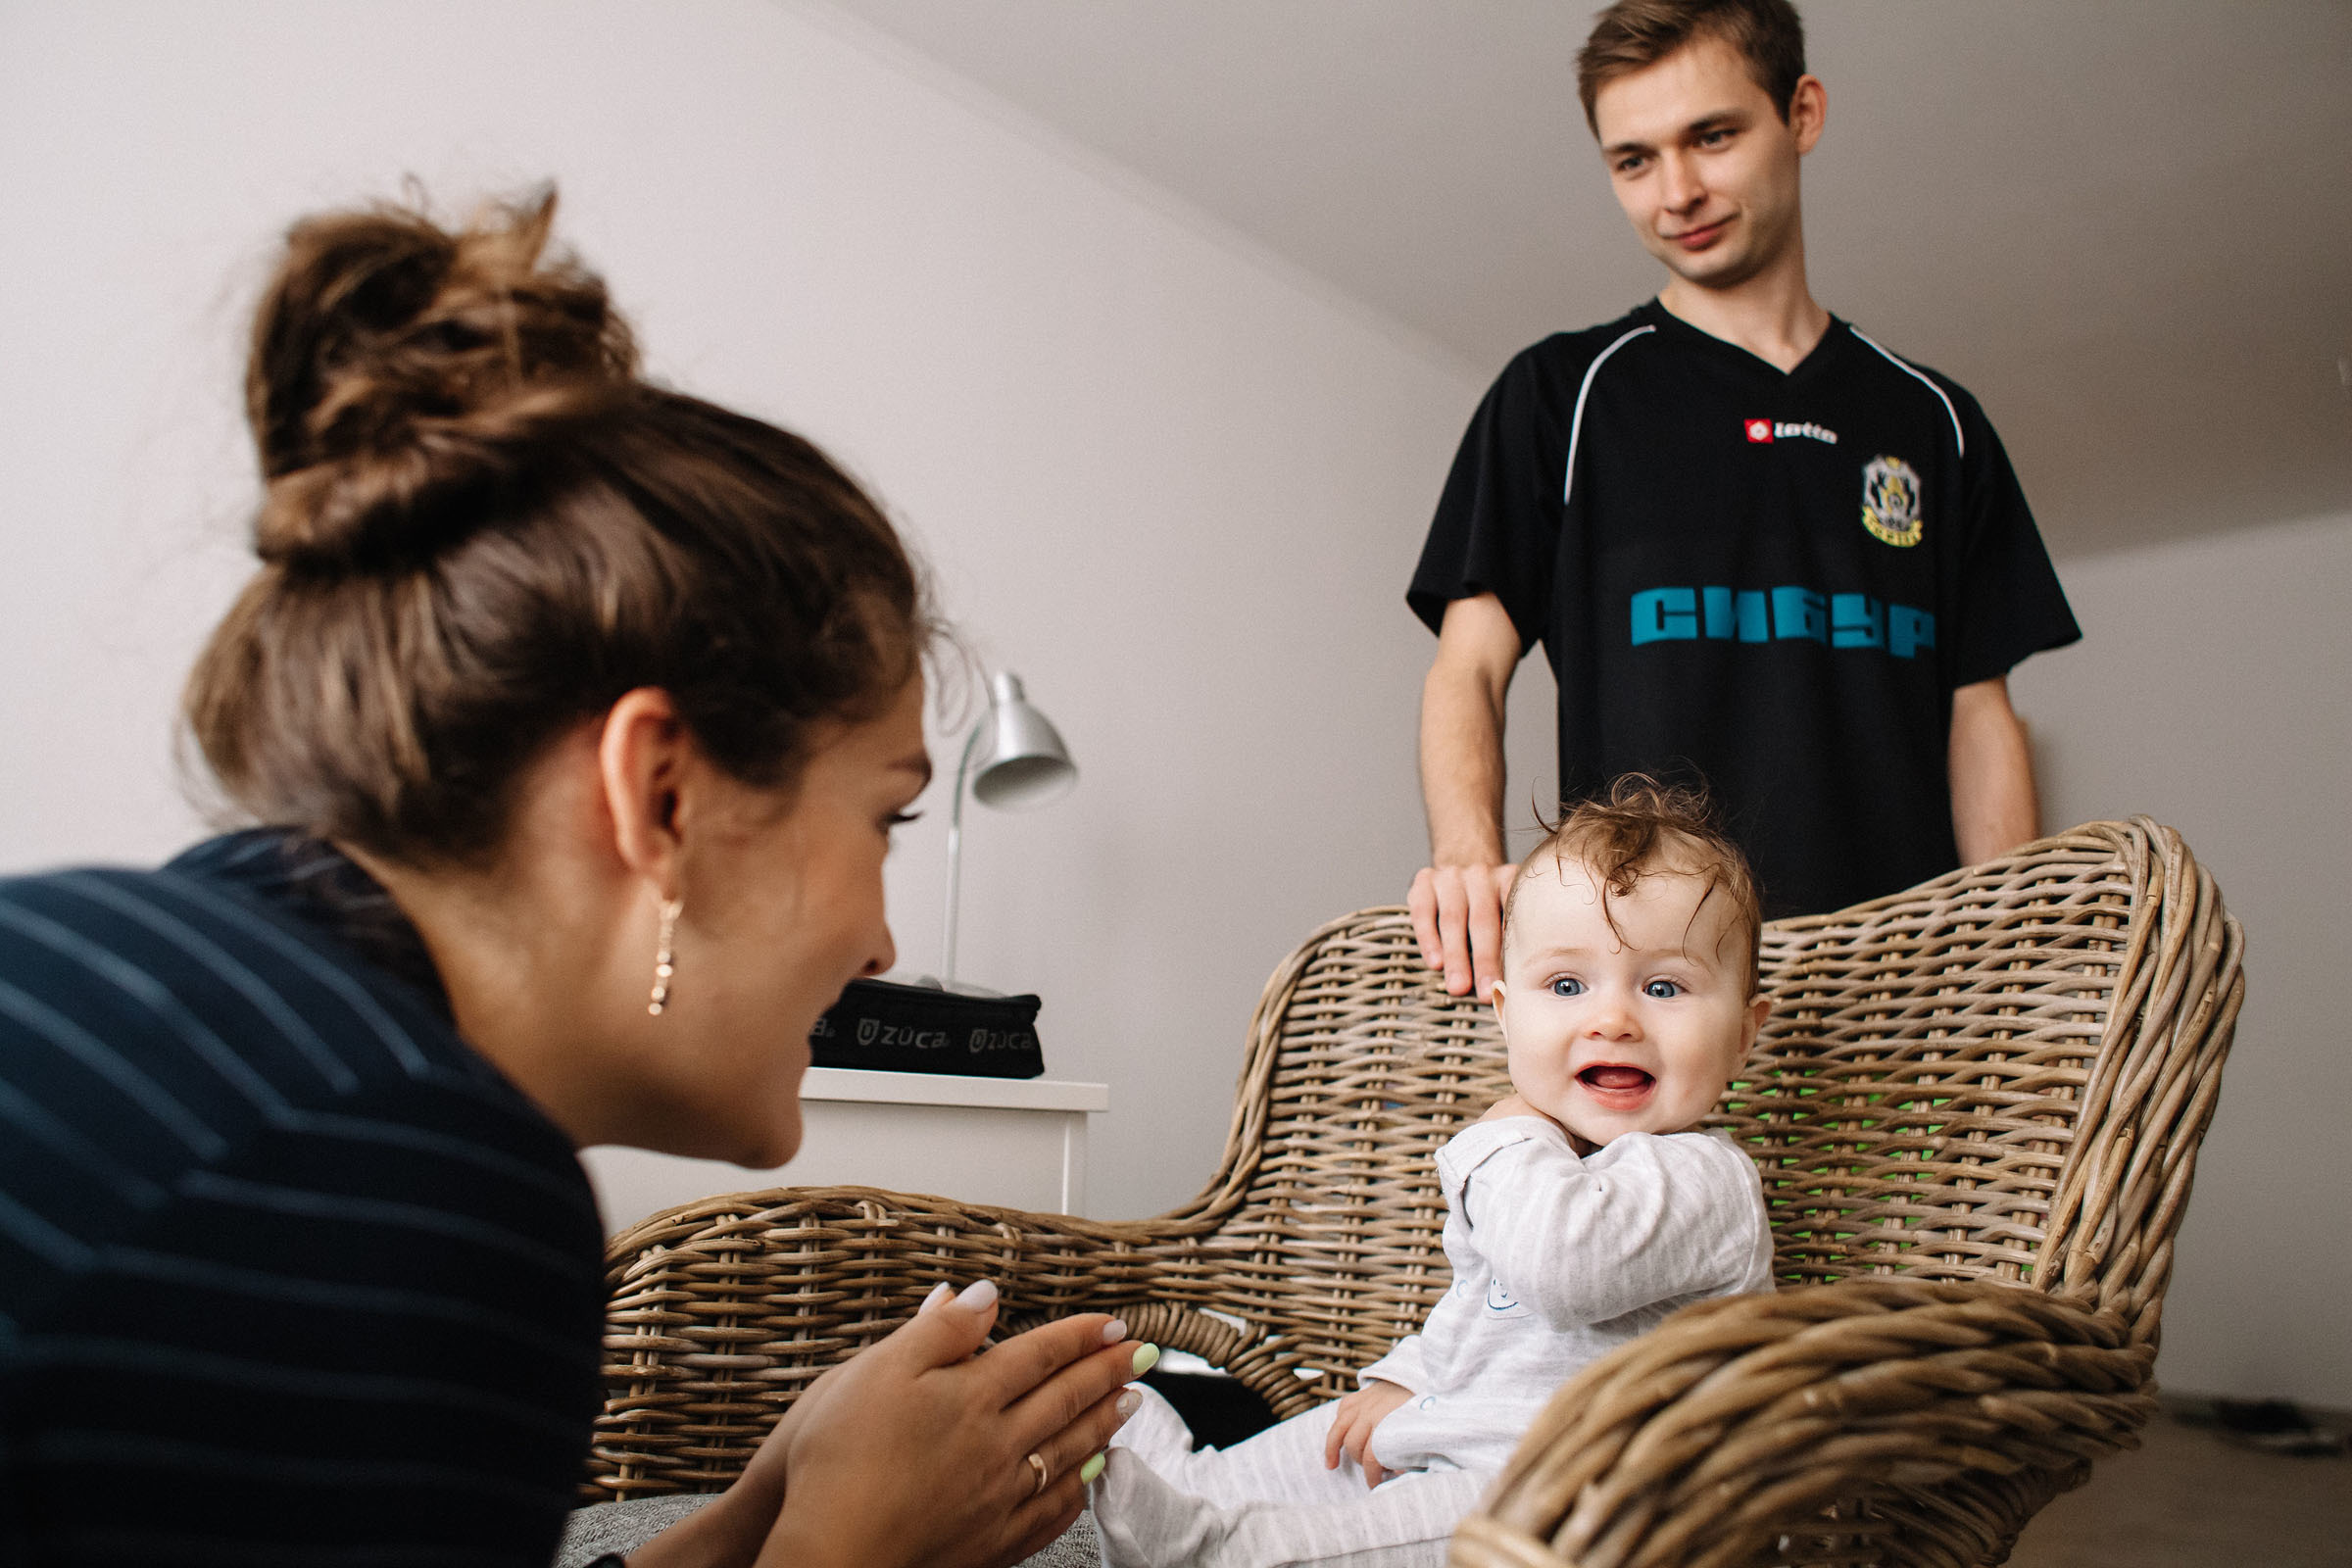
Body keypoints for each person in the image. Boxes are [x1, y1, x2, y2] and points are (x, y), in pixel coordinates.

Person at [0, 192, 1150, 1568]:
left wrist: (747, 1525)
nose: (883, 947)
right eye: (887, 819)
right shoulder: (399, 1178)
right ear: (661, 795)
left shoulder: (201, 995)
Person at [1407, 0, 2081, 1001]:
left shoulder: (1936, 421)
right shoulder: (1560, 395)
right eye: (1633, 160)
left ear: (1802, 114)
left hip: (1907, 987)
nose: (1676, 192)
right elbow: (1468, 667)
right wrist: (1468, 856)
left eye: (1711, 137)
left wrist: (2009, 947)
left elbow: (1980, 715)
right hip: (1647, 987)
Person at [1088, 778, 1776, 1568]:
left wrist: (1507, 1129)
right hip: (1451, 1430)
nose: (1613, 1018)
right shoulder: (1544, 1155)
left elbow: (1559, 1270)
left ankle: (1182, 1547)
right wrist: (1409, 1377)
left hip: (1567, 1501)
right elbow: (1481, 1307)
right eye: (1566, 985)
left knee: (1266, 1548)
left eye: (1663, 987)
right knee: (1249, 1476)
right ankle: (1138, 1464)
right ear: (1504, 1011)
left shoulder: (1703, 1180)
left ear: (1744, 1032)